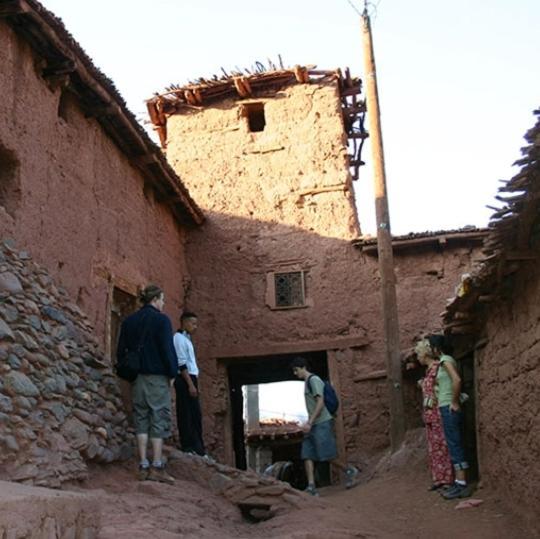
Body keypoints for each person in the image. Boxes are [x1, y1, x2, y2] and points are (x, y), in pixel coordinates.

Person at [116, 284, 178, 484]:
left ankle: (143, 464)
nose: (163, 304)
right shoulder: (161, 320)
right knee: (158, 418)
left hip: (137, 379)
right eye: (162, 300)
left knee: (141, 419)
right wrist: (172, 372)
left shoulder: (129, 321)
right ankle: (157, 465)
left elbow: (120, 352)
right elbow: (167, 349)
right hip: (156, 377)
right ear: (156, 299)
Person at [291, 356, 359, 496]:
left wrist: (310, 422)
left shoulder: (314, 380)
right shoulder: (306, 382)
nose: (295, 373)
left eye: (296, 370)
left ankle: (349, 470)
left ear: (303, 367)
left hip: (321, 423)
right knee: (307, 454)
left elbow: (320, 403)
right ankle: (311, 487)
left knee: (326, 455)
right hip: (313, 423)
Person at [427, 334, 471, 499]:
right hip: (445, 406)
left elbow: (457, 380)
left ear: (436, 348)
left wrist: (453, 401)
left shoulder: (445, 360)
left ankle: (462, 484)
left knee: (454, 444)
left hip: (448, 407)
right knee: (454, 443)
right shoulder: (447, 360)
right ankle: (459, 482)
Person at [414, 339, 454, 491]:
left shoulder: (438, 367)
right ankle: (439, 478)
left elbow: (440, 385)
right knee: (434, 446)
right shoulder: (429, 370)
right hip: (430, 412)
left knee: (442, 445)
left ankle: (447, 478)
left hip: (437, 410)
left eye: (419, 354)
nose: (418, 357)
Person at [173, 311, 206, 456]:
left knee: (195, 415)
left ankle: (198, 448)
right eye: (193, 323)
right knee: (186, 413)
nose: (195, 327)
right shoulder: (178, 339)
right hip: (185, 378)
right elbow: (181, 363)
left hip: (191, 377)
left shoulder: (187, 339)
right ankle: (188, 446)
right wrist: (190, 384)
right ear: (184, 322)